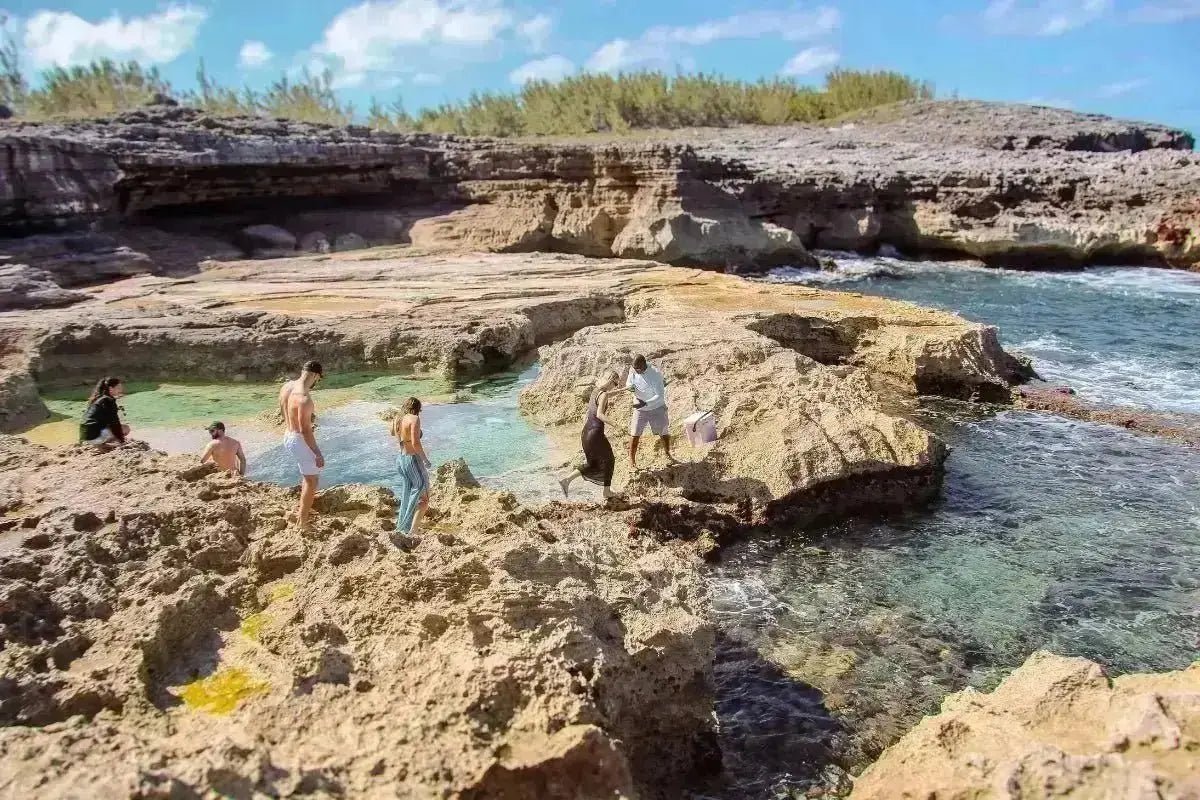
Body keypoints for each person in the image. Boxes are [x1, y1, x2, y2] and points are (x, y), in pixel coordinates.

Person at [559, 371, 619, 499]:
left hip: (586, 432)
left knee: (593, 463)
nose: (615, 386)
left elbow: (606, 395)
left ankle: (566, 480)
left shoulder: (596, 390)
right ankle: (607, 492)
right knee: (609, 460)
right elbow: (600, 414)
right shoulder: (603, 395)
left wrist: (624, 390)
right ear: (611, 381)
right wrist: (616, 424)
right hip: (596, 433)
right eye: (615, 384)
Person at [282, 361, 325, 529]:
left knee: (307, 476)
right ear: (315, 375)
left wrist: (290, 426)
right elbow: (305, 430)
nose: (317, 382)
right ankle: (303, 522)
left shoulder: (287, 387)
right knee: (312, 480)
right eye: (318, 379)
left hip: (288, 435)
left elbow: (282, 408)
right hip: (299, 439)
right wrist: (317, 453)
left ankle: (302, 510)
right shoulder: (305, 399)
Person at [392, 397, 432, 536]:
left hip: (401, 459)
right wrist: (425, 460)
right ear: (417, 408)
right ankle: (412, 531)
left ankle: (403, 527)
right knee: (423, 497)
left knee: (408, 494)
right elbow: (415, 443)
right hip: (412, 460)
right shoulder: (414, 419)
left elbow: (394, 434)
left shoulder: (397, 419)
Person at [626, 354, 674, 468]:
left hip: (656, 407)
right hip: (640, 409)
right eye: (634, 368)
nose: (636, 371)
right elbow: (628, 382)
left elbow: (659, 395)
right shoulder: (633, 370)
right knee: (635, 434)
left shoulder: (655, 374)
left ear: (644, 365)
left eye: (638, 369)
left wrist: (646, 402)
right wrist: (630, 386)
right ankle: (631, 460)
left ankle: (667, 453)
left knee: (663, 432)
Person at [79, 377, 130, 446]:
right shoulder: (108, 401)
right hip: (95, 438)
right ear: (111, 388)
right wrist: (122, 440)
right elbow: (114, 424)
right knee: (125, 428)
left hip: (85, 436)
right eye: (118, 388)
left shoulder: (97, 399)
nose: (121, 390)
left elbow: (86, 421)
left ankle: (101, 444)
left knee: (108, 427)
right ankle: (105, 443)